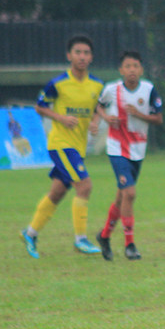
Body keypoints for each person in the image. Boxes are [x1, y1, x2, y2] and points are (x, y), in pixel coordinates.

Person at [20, 35, 105, 258]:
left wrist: (95, 123)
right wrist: (60, 117)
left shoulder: (97, 85)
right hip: (61, 144)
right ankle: (80, 240)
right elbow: (40, 107)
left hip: (78, 146)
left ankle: (30, 233)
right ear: (69, 56)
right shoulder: (58, 83)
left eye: (86, 53)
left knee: (57, 192)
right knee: (84, 186)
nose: (82, 56)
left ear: (91, 57)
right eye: (78, 52)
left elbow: (98, 108)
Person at [92, 51, 164, 261]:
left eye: (135, 66)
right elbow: (98, 106)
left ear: (141, 69)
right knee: (130, 193)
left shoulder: (149, 90)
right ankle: (129, 244)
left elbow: (159, 119)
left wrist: (139, 114)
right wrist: (103, 118)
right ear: (121, 70)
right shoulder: (111, 89)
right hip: (116, 148)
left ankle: (104, 236)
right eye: (127, 66)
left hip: (138, 149)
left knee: (122, 197)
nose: (132, 70)